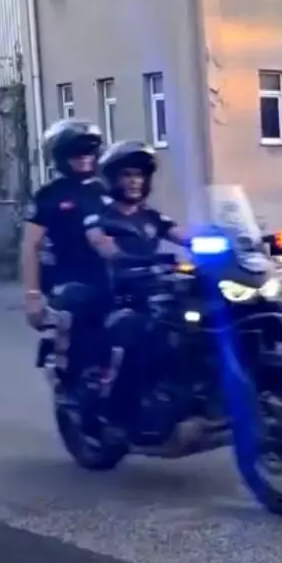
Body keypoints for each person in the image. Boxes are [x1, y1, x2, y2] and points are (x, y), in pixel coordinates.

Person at [94, 141, 187, 432]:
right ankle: (120, 411)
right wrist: (125, 257)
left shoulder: (151, 216)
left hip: (156, 290)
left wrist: (227, 242)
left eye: (140, 175)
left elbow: (184, 236)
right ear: (114, 179)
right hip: (121, 295)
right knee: (139, 334)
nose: (135, 181)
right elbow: (104, 246)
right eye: (128, 174)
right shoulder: (102, 217)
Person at [21, 119, 122, 378]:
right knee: (77, 311)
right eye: (76, 153)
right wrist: (32, 296)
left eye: (89, 151)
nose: (84, 158)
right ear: (60, 157)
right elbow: (31, 246)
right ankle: (68, 371)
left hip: (110, 275)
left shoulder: (108, 189)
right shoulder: (49, 195)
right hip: (68, 277)